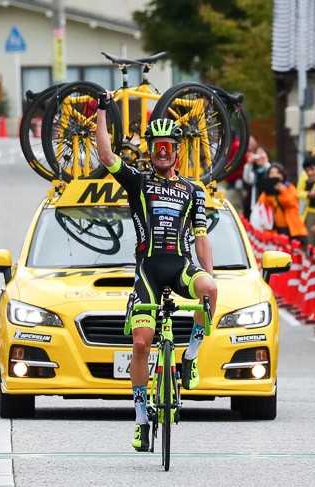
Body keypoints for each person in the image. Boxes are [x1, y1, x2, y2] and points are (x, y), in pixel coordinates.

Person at [96, 91, 218, 452]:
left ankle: (190, 357)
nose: (162, 151)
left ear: (176, 150)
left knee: (211, 289)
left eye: (167, 145)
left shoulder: (193, 191)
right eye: (156, 146)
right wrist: (103, 110)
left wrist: (208, 277)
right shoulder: (138, 182)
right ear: (150, 151)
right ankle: (140, 419)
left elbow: (201, 237)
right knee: (140, 343)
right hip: (148, 270)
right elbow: (106, 155)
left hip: (180, 266)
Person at [257, 163, 308, 245]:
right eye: (272, 173)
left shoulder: (289, 187)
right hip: (275, 229)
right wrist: (268, 191)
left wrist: (282, 190)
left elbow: (290, 202)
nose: (274, 175)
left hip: (291, 228)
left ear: (282, 175)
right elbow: (263, 205)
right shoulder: (267, 192)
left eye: (277, 173)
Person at [297, 156, 315, 247]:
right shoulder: (305, 176)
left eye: (312, 169)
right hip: (311, 211)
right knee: (310, 242)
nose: (310, 173)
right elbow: (299, 192)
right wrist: (308, 195)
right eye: (307, 170)